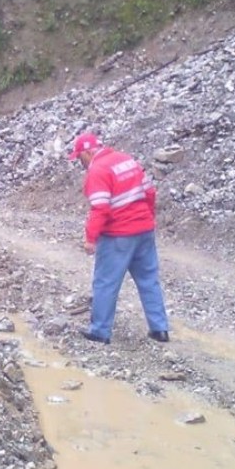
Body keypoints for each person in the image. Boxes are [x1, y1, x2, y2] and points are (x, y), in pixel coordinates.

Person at [68, 132, 169, 344]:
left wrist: (90, 238)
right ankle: (160, 329)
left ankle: (100, 331)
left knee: (106, 282)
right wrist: (148, 218)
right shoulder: (127, 160)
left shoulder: (98, 170)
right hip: (144, 229)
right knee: (149, 280)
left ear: (87, 153)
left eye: (79, 158)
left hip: (118, 235)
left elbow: (100, 208)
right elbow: (149, 192)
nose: (81, 163)